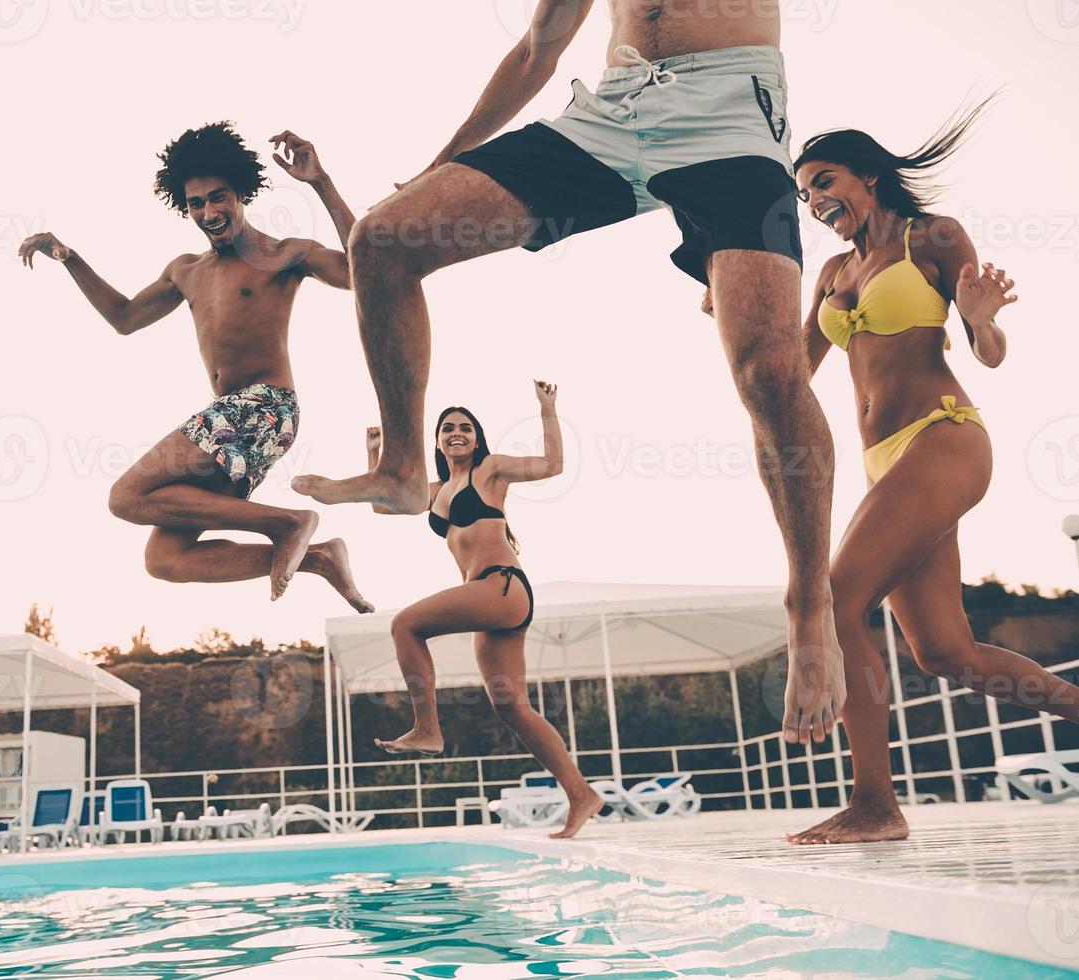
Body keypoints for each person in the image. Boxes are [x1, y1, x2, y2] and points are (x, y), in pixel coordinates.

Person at [291, 0, 844, 745]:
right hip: (609, 116)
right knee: (380, 238)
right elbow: (534, 51)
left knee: (771, 373)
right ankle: (397, 465)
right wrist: (437, 165)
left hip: (728, 110)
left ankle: (809, 606)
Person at [778, 106, 1079, 844]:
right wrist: (735, 315)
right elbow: (787, 376)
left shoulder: (931, 237)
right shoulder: (831, 273)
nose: (817, 204)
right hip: (884, 462)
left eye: (825, 183)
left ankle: (875, 806)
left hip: (943, 437)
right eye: (805, 197)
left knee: (834, 599)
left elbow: (990, 351)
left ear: (869, 176)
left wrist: (980, 318)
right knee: (944, 652)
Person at [17, 123, 371, 611]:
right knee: (166, 559)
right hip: (228, 420)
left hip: (265, 407)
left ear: (242, 194)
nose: (209, 212)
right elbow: (124, 318)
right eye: (197, 203)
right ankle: (318, 558)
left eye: (219, 198)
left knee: (126, 497)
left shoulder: (284, 254)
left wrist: (321, 183)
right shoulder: (185, 270)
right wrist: (71, 259)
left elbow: (363, 271)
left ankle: (286, 522)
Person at [373, 381, 602, 839]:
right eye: (447, 428)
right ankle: (581, 794)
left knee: (405, 625)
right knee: (512, 707)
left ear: (477, 438)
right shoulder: (435, 489)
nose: (456, 433)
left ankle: (427, 728)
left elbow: (553, 465)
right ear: (437, 441)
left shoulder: (491, 471)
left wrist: (547, 408)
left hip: (501, 587)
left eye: (465, 428)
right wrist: (376, 455)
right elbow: (384, 506)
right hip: (487, 599)